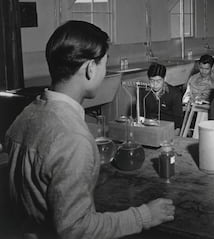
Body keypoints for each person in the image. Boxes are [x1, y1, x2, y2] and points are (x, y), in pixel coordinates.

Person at [4, 21, 175, 238]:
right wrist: (144, 216)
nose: (104, 72)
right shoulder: (72, 136)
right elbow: (75, 230)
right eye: (105, 64)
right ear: (90, 69)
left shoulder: (27, 114)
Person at [143, 63, 183, 135]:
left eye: (158, 81)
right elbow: (142, 115)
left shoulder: (174, 94)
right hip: (150, 129)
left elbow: (178, 121)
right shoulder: (145, 94)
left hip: (168, 130)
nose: (155, 84)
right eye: (152, 81)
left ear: (164, 79)